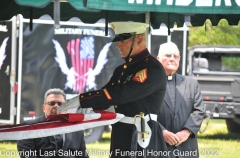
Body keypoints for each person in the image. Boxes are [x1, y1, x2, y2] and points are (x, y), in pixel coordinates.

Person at [58, 21, 168, 158]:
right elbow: (107, 96)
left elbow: (120, 94)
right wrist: (88, 108)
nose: (118, 45)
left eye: (123, 40)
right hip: (121, 134)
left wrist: (82, 100)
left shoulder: (152, 68)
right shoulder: (121, 70)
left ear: (139, 39)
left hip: (142, 136)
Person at [156, 42, 205, 158]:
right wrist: (162, 132)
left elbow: (199, 111)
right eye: (168, 55)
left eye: (176, 56)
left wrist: (186, 132)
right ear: (158, 59)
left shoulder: (191, 84)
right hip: (158, 146)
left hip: (186, 148)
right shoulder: (149, 84)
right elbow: (145, 112)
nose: (172, 59)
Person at [17, 88, 88, 158]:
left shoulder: (76, 130)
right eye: (52, 103)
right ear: (44, 108)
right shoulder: (28, 128)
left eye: (60, 104)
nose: (56, 106)